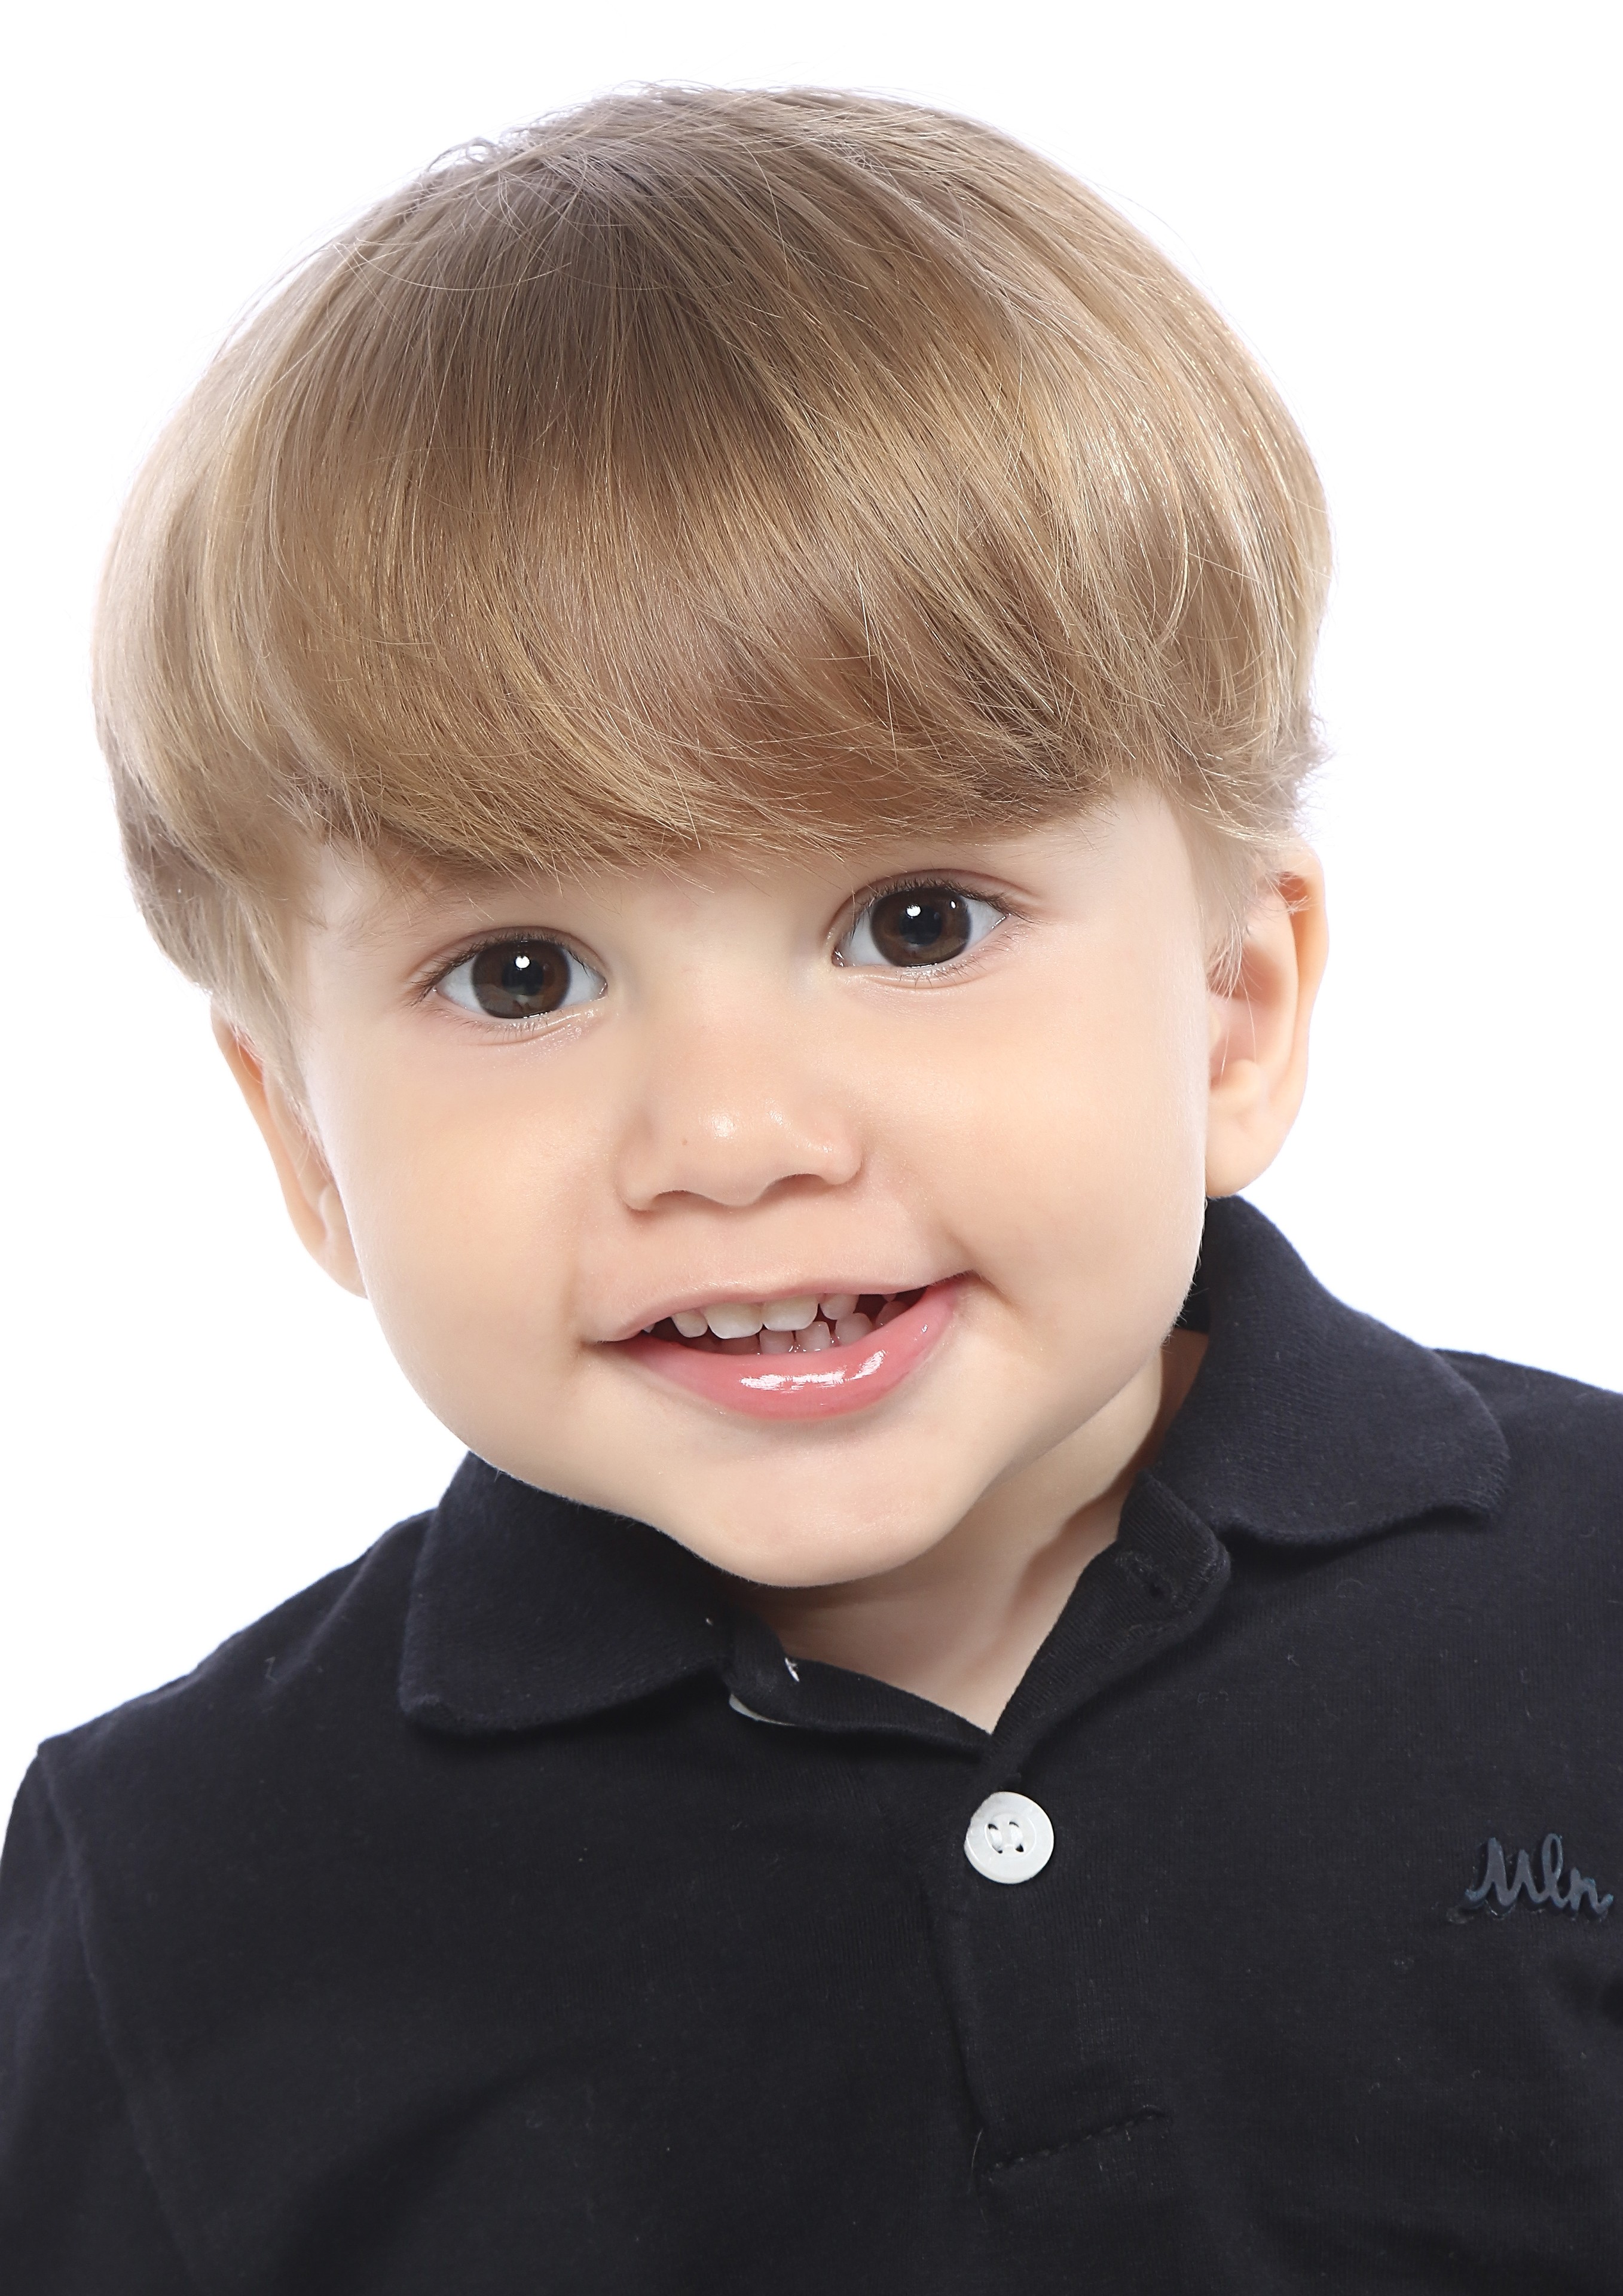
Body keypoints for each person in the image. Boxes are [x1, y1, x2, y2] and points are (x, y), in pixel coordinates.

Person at [2, 85, 1618, 2295]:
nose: (733, 1137)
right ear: (303, 1143)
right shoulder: (171, 1892)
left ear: (1232, 1008)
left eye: (916, 924)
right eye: (521, 974)